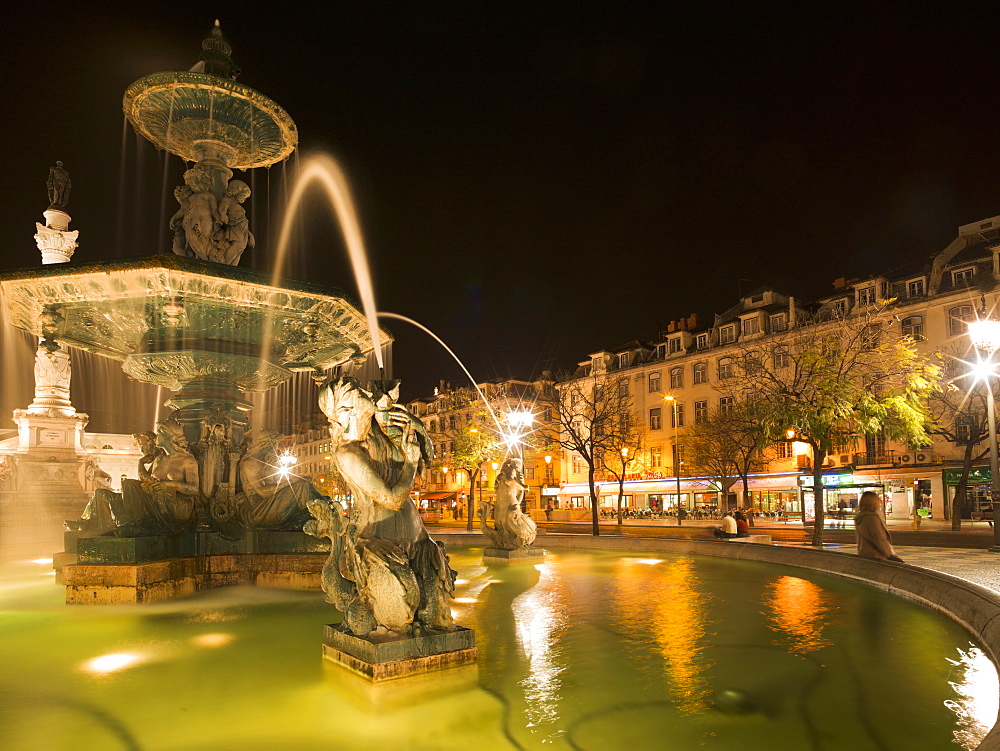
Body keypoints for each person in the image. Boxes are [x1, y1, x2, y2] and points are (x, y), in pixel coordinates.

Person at [854, 491, 903, 562]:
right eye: (877, 500)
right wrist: (890, 555)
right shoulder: (872, 518)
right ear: (872, 502)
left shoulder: (861, 517)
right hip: (876, 557)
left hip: (865, 555)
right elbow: (880, 539)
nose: (880, 502)